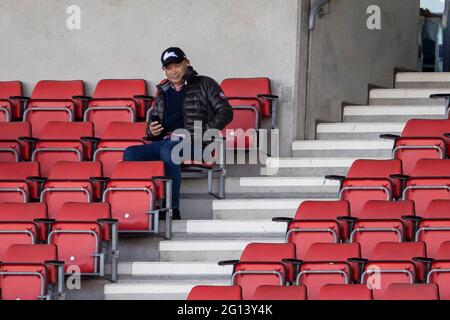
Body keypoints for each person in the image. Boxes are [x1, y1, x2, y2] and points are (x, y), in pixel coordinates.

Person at [123, 47, 233, 220]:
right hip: (167, 141)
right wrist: (151, 130)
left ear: (186, 63)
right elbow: (153, 122)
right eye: (169, 67)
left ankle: (171, 209)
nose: (173, 71)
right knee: (131, 153)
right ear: (164, 70)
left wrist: (203, 132)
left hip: (197, 144)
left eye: (177, 65)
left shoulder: (205, 83)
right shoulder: (163, 91)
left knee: (169, 151)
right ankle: (142, 208)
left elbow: (226, 111)